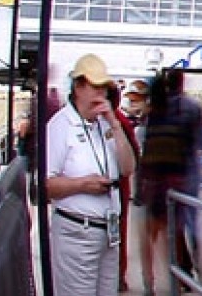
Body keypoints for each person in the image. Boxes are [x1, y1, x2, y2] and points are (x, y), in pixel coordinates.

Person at [46, 54, 137, 296]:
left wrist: (115, 125)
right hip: (77, 231)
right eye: (95, 86)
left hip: (108, 231)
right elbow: (45, 186)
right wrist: (82, 185)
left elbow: (128, 168)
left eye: (103, 88)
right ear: (78, 87)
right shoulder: (60, 126)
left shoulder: (105, 124)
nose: (100, 94)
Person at [138, 67, 202, 295]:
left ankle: (155, 281)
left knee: (156, 235)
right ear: (182, 82)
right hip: (183, 176)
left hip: (156, 180)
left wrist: (140, 188)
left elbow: (146, 149)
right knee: (186, 227)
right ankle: (191, 272)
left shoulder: (153, 111)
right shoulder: (191, 108)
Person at [106, 83, 140, 293]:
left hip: (117, 186)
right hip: (118, 186)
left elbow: (134, 155)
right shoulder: (119, 120)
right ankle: (117, 276)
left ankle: (118, 276)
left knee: (116, 233)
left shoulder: (118, 121)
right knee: (117, 232)